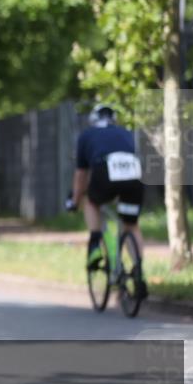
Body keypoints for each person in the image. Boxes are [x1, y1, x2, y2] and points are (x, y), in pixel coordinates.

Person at [66, 104, 146, 298]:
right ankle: (138, 273)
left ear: (94, 119)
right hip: (134, 174)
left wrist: (75, 200)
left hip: (105, 170)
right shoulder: (125, 132)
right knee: (131, 224)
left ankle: (94, 245)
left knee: (91, 202)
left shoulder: (87, 135)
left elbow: (80, 175)